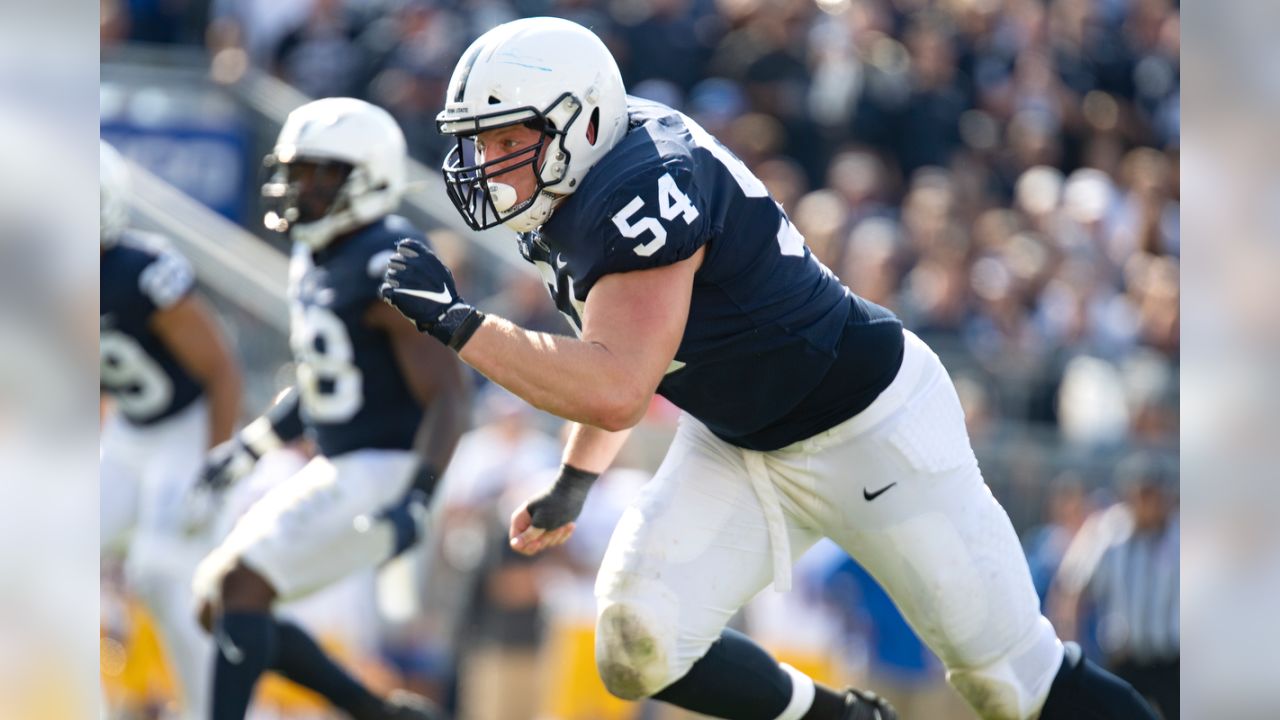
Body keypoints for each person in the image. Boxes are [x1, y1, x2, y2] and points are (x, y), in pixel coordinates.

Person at [380, 17, 1159, 720]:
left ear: (580, 122)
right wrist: (575, 481)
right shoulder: (580, 180)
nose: (486, 162)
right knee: (638, 641)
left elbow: (618, 386)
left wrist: (461, 325)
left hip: (870, 429)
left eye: (506, 138)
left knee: (1012, 681)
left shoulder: (643, 182)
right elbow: (613, 355)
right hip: (740, 440)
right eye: (479, 141)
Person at [191, 98, 468, 720]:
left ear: (368, 176)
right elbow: (325, 377)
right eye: (297, 171)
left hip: (393, 465)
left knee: (241, 587)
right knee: (216, 599)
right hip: (346, 462)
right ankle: (376, 711)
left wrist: (419, 496)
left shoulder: (389, 257)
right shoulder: (316, 254)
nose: (301, 188)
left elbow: (450, 394)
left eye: (322, 173)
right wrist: (252, 446)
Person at [99, 140, 244, 719]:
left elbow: (222, 367)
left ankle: (215, 709)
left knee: (162, 574)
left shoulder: (143, 272)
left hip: (186, 428)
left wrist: (216, 461)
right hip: (131, 434)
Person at [1051, 454, 1180, 719]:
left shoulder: (1181, 535)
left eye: (1153, 494)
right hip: (1124, 658)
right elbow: (1073, 587)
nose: (1148, 503)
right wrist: (1070, 645)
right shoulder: (1109, 531)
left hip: (1172, 660)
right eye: (1142, 494)